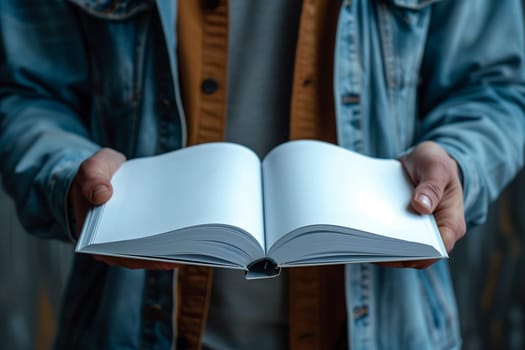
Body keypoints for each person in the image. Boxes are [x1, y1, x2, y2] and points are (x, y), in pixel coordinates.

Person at [1, 0, 524, 349]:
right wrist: (68, 175)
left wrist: (458, 162)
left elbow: (496, 86)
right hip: (131, 327)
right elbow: (24, 90)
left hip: (386, 329)